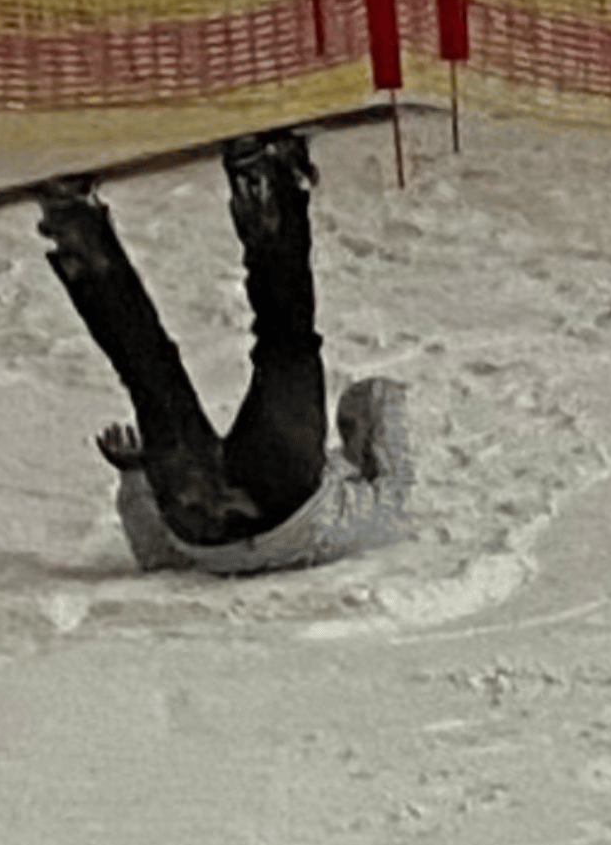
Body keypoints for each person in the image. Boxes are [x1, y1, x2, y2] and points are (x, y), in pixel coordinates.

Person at [35, 129, 414, 575]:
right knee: (150, 374)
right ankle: (75, 226)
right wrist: (135, 477)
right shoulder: (356, 523)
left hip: (292, 506)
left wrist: (370, 406)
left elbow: (382, 407)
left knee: (286, 344)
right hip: (202, 532)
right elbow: (156, 557)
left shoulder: (377, 519)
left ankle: (267, 177)